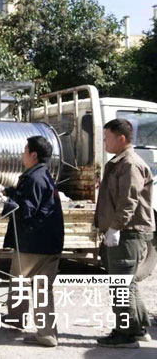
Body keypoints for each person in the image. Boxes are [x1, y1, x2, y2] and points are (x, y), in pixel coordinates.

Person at [95, 118, 155, 349]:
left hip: (127, 233)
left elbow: (128, 201)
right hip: (125, 232)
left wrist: (115, 227)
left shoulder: (129, 164)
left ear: (121, 138)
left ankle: (126, 334)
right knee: (128, 283)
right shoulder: (121, 162)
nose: (105, 142)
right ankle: (137, 329)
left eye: (107, 137)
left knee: (120, 284)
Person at [0, 135, 64, 347]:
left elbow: (25, 210)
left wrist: (6, 201)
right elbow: (32, 198)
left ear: (33, 155)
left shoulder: (34, 179)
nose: (22, 155)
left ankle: (17, 318)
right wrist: (10, 191)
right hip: (50, 243)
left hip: (33, 244)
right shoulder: (42, 175)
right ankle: (47, 333)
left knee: (19, 280)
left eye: (25, 150)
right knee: (42, 288)